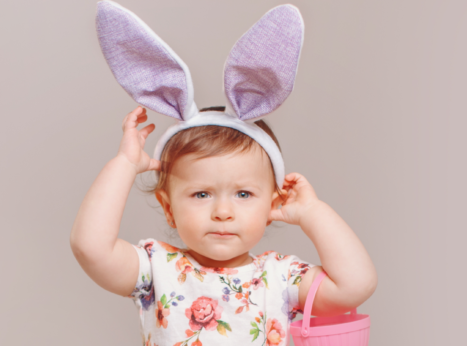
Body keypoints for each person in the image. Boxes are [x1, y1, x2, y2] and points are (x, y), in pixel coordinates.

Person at [71, 2, 376, 345]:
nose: (223, 211)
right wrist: (124, 165)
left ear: (272, 203)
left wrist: (312, 212)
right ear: (169, 207)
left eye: (244, 194)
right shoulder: (157, 269)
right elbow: (90, 247)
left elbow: (356, 285)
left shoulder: (280, 278)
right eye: (201, 194)